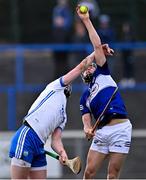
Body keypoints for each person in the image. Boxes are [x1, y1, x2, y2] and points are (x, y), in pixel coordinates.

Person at [9, 42, 112, 179]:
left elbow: (55, 140)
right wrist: (96, 52)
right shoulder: (55, 86)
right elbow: (81, 66)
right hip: (27, 135)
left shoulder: (63, 115)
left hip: (39, 146)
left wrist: (62, 152)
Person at [76, 6, 132, 179]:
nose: (91, 66)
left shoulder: (103, 73)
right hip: (101, 132)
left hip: (120, 128)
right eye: (87, 67)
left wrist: (86, 20)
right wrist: (87, 128)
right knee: (89, 172)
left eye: (92, 64)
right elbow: (86, 119)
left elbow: (97, 45)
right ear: (84, 74)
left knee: (112, 174)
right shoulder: (85, 96)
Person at [51, 0, 73, 79]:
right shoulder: (56, 9)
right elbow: (55, 23)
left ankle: (66, 79)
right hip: (57, 40)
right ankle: (57, 78)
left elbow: (68, 24)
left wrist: (62, 23)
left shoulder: (67, 10)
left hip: (64, 39)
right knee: (57, 62)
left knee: (64, 61)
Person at [119, 21, 136, 88]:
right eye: (124, 27)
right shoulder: (122, 35)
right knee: (125, 66)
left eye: (126, 26)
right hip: (124, 54)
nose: (125, 28)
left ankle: (131, 80)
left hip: (130, 53)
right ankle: (125, 80)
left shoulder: (131, 35)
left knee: (130, 66)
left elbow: (134, 43)